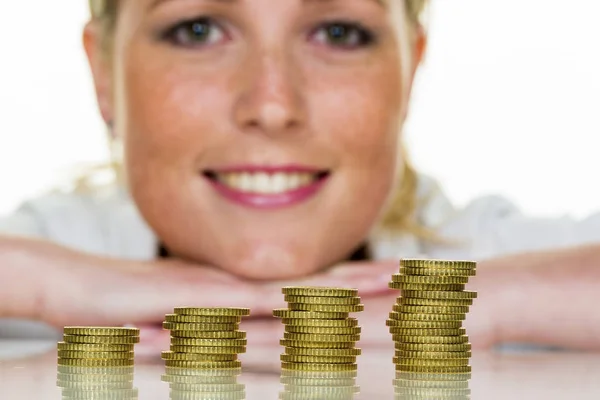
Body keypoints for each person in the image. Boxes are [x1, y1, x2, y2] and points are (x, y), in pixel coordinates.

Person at [1, 0, 600, 352]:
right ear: (103, 72)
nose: (272, 105)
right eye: (198, 30)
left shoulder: (475, 258)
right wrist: (35, 282)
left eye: (338, 33)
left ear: (411, 70)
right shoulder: (60, 246)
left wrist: (479, 305)